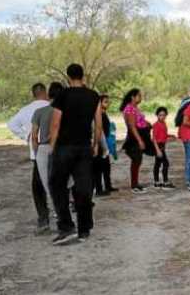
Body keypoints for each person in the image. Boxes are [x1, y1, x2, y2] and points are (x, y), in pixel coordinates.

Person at [48, 63, 102, 245]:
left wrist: (52, 146)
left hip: (64, 147)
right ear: (83, 75)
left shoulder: (62, 95)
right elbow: (98, 124)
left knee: (58, 185)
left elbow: (55, 123)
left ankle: (66, 226)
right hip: (84, 147)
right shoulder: (93, 96)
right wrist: (95, 144)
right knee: (83, 188)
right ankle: (84, 228)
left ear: (68, 76)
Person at [7, 83, 50, 234]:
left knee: (38, 187)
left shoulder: (25, 110)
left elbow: (11, 124)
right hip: (55, 150)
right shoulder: (52, 106)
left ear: (33, 94)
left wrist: (26, 136)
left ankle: (43, 218)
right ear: (45, 92)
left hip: (36, 152)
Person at [31, 82, 64, 232]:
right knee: (62, 182)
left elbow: (33, 136)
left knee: (47, 184)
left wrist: (37, 151)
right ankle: (63, 214)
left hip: (44, 149)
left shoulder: (39, 111)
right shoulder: (64, 111)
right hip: (61, 147)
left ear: (49, 94)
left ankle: (56, 214)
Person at [120, 89, 153, 194]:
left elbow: (140, 121)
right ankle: (134, 185)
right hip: (134, 137)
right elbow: (132, 126)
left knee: (138, 160)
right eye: (138, 95)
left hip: (140, 134)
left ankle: (136, 183)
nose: (140, 97)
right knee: (136, 160)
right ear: (132, 97)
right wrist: (139, 140)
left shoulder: (135, 108)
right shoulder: (129, 109)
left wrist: (147, 124)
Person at [92, 94, 118, 196]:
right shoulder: (98, 115)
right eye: (105, 102)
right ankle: (99, 189)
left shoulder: (104, 114)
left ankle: (108, 185)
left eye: (108, 102)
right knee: (98, 167)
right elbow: (99, 129)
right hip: (99, 143)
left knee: (106, 166)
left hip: (105, 142)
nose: (107, 104)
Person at [152, 107, 176, 190]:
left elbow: (163, 134)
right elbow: (154, 138)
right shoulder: (156, 125)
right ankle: (165, 182)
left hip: (162, 145)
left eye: (164, 115)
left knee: (158, 164)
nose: (162, 117)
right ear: (157, 115)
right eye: (160, 115)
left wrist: (170, 135)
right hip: (158, 146)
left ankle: (157, 182)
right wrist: (157, 150)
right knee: (165, 163)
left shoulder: (164, 123)